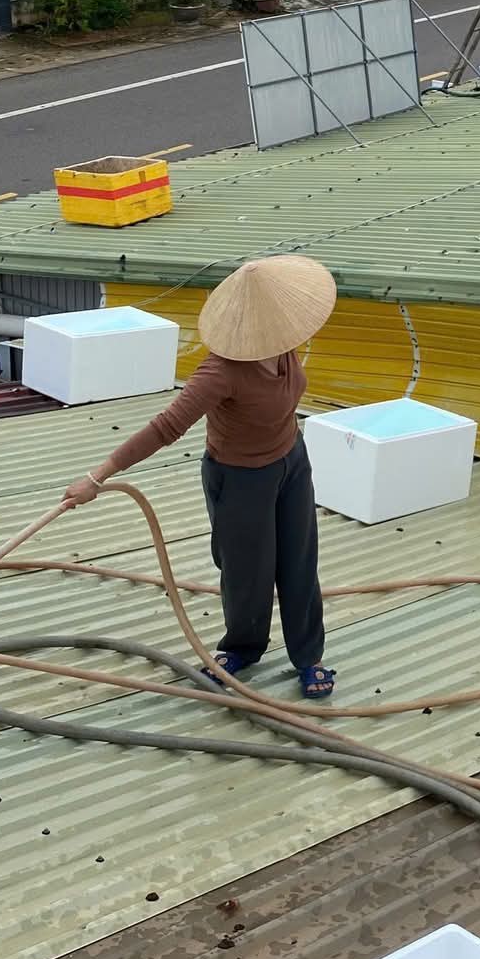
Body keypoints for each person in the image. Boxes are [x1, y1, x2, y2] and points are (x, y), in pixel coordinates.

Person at [63, 254, 340, 699]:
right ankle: (243, 648)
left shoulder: (285, 346)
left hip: (291, 461)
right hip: (240, 477)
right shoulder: (220, 371)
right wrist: (95, 479)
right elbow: (164, 427)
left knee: (300, 562)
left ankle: (309, 656)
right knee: (248, 572)